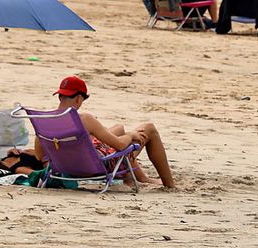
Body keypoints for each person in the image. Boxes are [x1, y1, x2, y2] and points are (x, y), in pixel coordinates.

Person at [47, 76, 176, 189]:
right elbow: (120, 145)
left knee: (118, 128)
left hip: (67, 167)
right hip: (95, 168)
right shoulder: (85, 119)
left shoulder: (46, 120)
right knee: (149, 128)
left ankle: (134, 178)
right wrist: (130, 135)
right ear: (79, 99)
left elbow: (41, 154)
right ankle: (170, 185)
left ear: (59, 96)